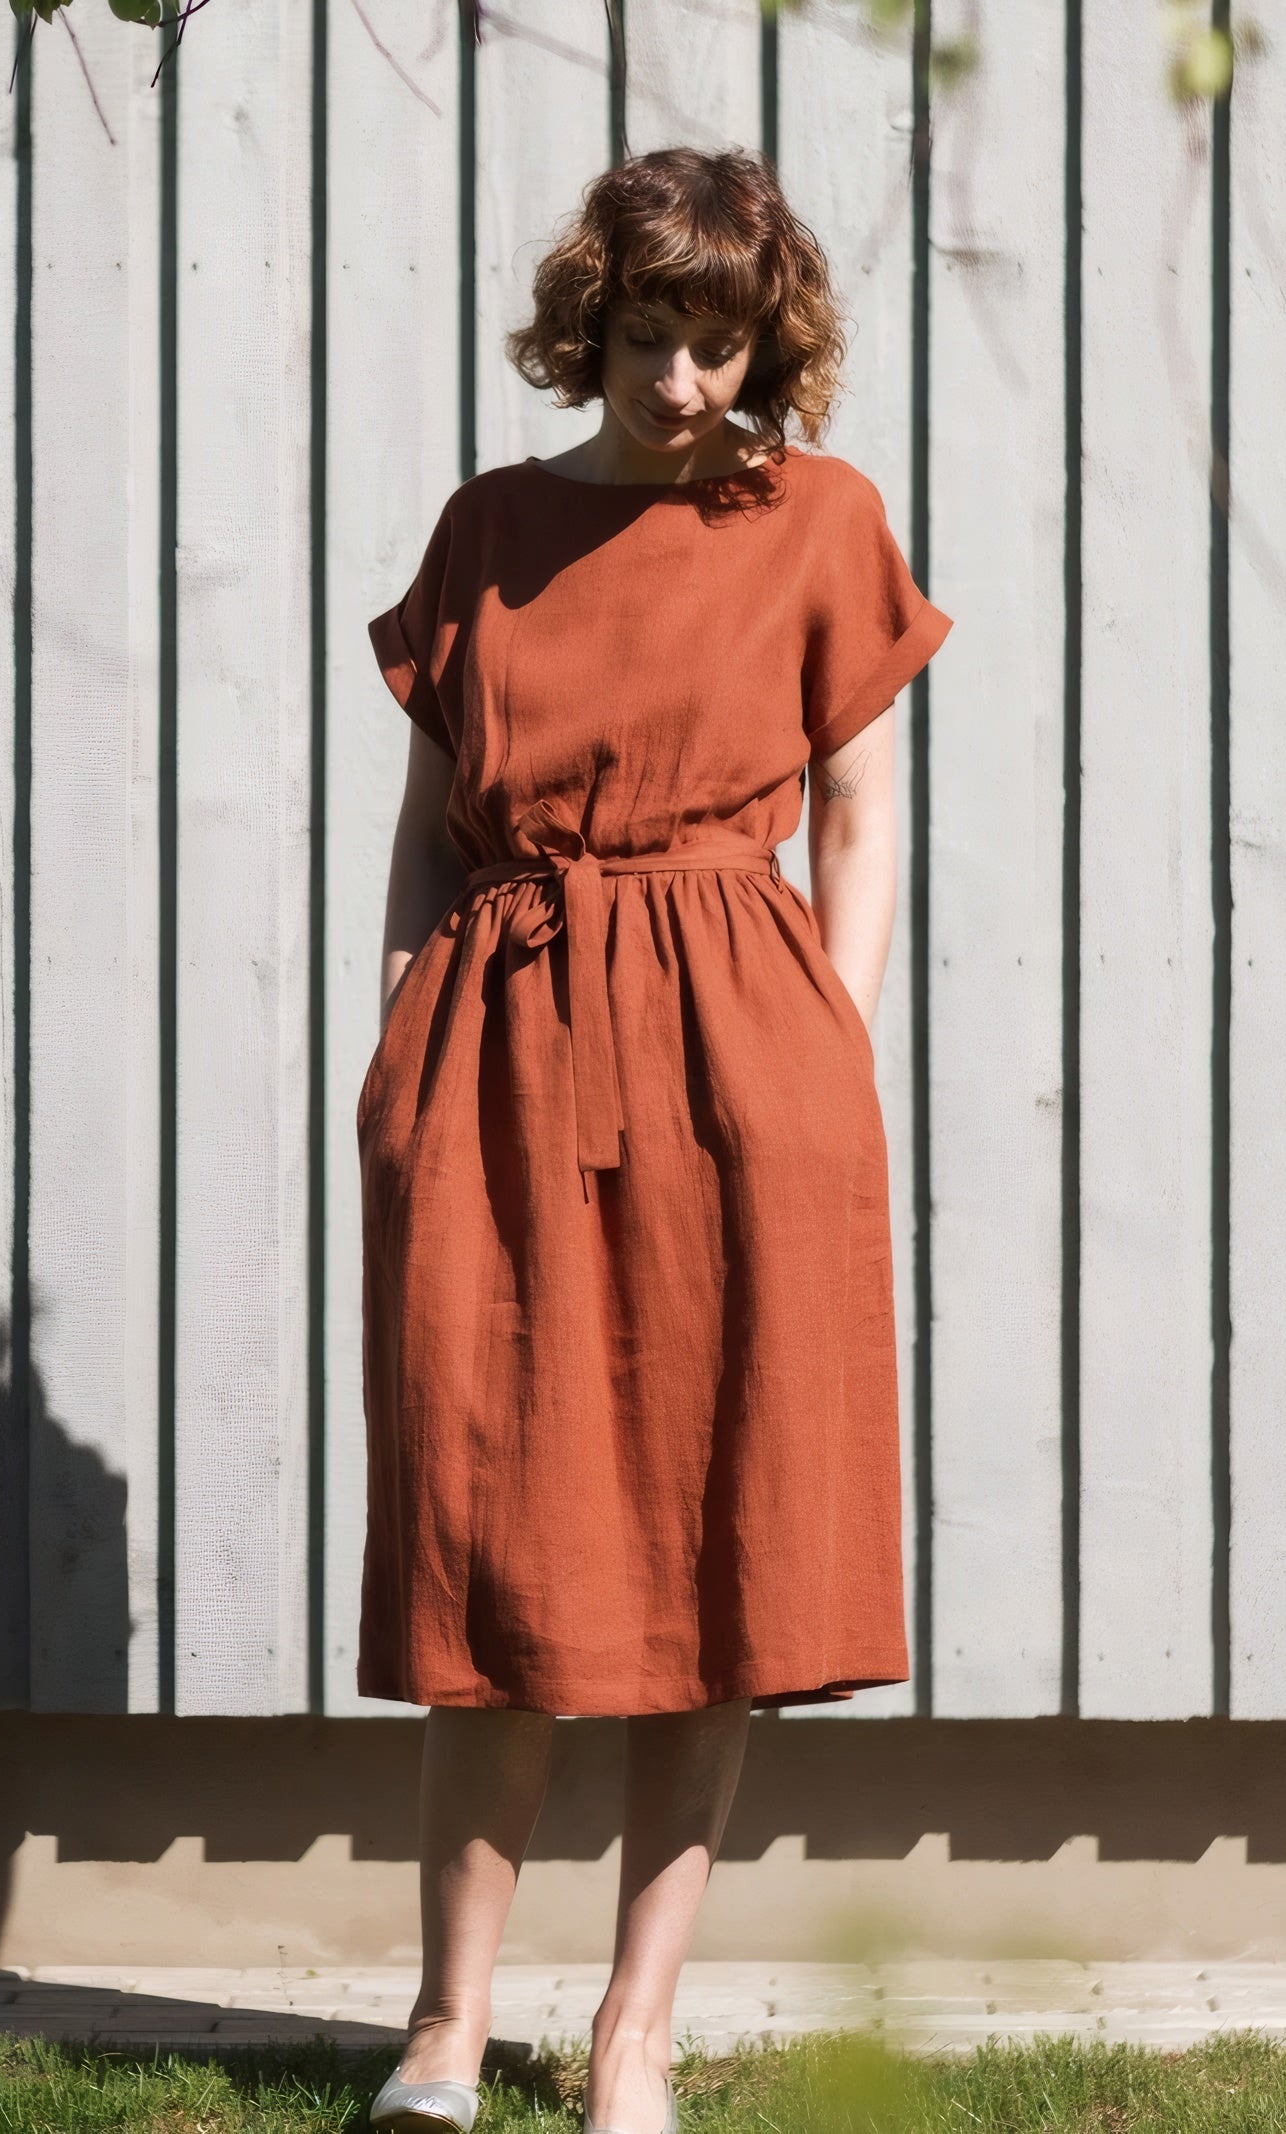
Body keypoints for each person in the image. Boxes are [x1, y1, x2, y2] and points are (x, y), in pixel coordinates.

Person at [357, 145, 953, 2134]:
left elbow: (859, 812)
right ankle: (446, 2020)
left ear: (759, 337)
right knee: (490, 1540)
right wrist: (397, 1043)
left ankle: (634, 2030)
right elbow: (433, 825)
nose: (684, 382)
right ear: (585, 319)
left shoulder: (819, 520)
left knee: (721, 1541)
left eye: (718, 343)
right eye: (647, 335)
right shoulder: (494, 529)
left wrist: (823, 1047)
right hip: (506, 1045)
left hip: (739, 1055)